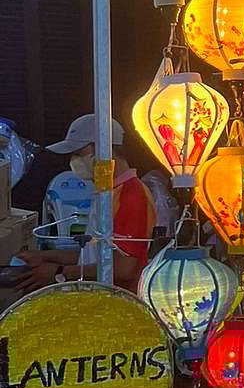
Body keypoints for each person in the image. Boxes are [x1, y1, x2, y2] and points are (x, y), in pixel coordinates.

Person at [10, 115, 152, 291]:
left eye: (78, 153)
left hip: (118, 303)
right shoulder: (107, 193)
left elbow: (124, 268)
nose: (73, 161)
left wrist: (60, 272)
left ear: (102, 149)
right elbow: (94, 255)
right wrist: (44, 256)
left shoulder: (132, 196)